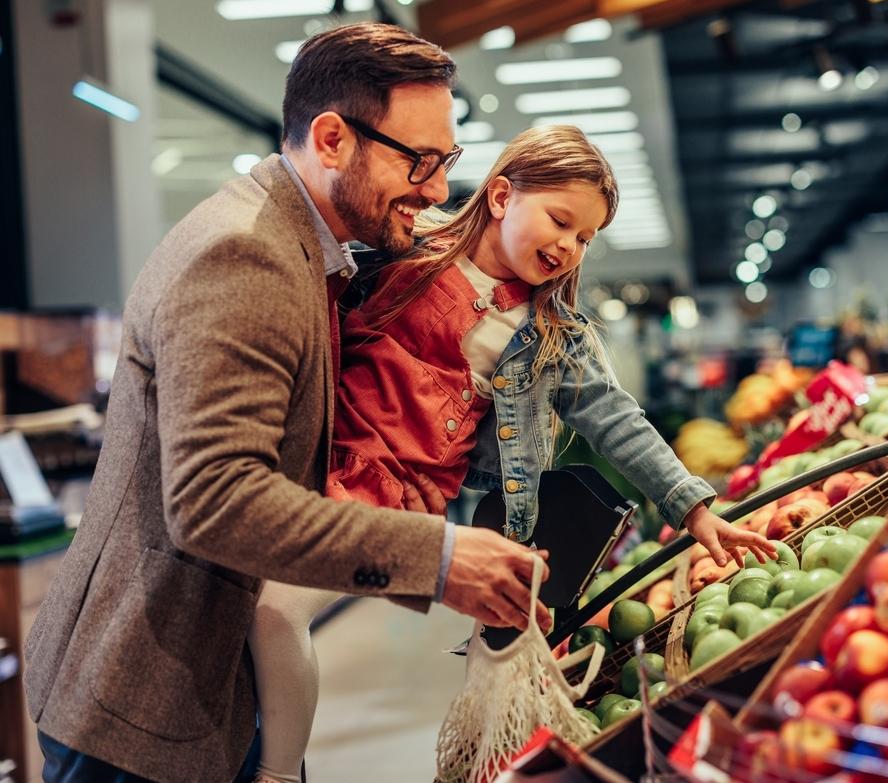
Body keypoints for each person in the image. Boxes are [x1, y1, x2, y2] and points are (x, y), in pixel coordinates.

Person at [23, 23, 551, 783]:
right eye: (421, 161)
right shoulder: (246, 255)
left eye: (448, 161)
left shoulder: (306, 248)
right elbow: (214, 498)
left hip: (206, 685)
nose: (438, 190)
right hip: (144, 710)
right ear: (332, 138)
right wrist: (436, 558)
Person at [248, 125, 777, 783]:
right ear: (501, 195)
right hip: (307, 461)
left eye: (585, 237)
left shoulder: (553, 335)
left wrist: (694, 507)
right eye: (560, 220)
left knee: (278, 609)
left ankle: (276, 774)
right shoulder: (403, 256)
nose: (569, 246)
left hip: (396, 498)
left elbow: (617, 420)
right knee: (255, 612)